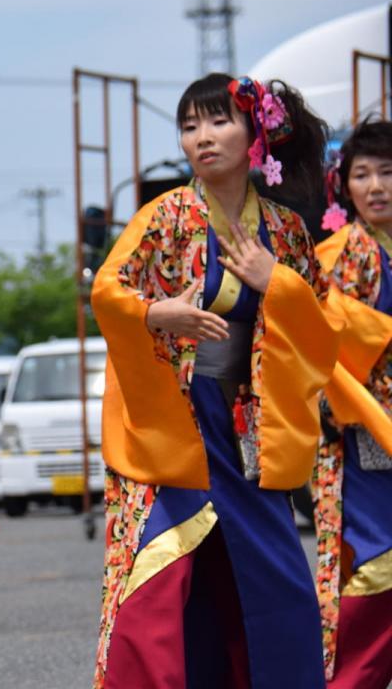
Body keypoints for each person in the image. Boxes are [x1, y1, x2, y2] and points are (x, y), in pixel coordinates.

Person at [90, 74, 337, 688]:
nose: (202, 137)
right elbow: (108, 291)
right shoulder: (165, 215)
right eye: (189, 125)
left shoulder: (286, 231)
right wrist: (156, 313)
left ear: (256, 134)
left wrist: (276, 282)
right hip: (172, 425)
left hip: (249, 427)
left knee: (275, 582)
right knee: (157, 581)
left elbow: (324, 332)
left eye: (218, 121)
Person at [313, 118, 392, 688]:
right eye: (361, 175)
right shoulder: (340, 254)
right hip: (363, 436)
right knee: (376, 564)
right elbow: (316, 341)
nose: (375, 187)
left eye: (387, 172)